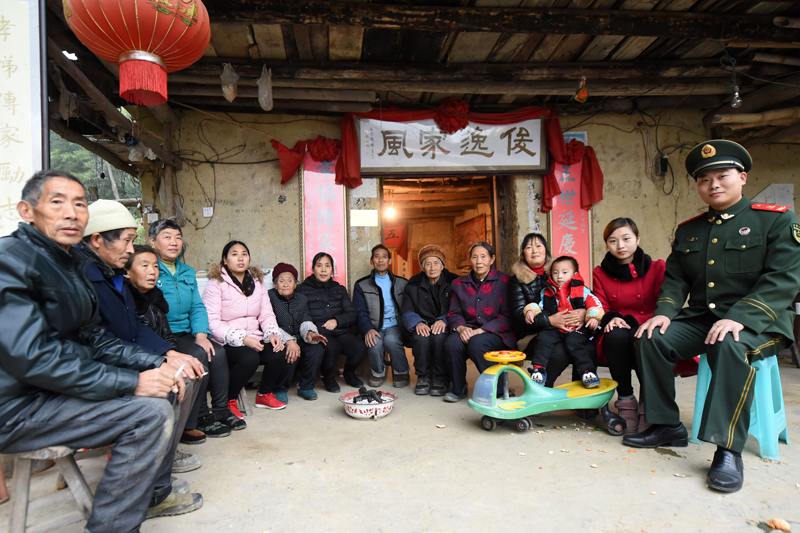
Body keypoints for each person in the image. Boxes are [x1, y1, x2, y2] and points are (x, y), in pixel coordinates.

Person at [0, 170, 196, 530]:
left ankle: (152, 494)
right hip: (17, 406)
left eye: (79, 204)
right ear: (27, 211)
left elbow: (96, 338)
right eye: (57, 202)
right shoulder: (10, 260)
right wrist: (131, 382)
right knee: (149, 413)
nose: (71, 213)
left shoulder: (71, 264)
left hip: (54, 391)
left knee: (169, 383)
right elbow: (32, 358)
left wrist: (156, 362)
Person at [629, 140, 800, 493]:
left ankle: (727, 449)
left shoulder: (776, 219)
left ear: (742, 177)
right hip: (703, 318)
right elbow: (676, 279)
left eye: (722, 176)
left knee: (729, 343)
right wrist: (664, 313)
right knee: (650, 337)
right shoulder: (689, 229)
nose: (713, 185)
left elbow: (784, 277)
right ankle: (666, 425)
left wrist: (742, 316)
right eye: (704, 180)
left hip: (761, 321)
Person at [78, 201, 208, 511]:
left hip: (124, 356)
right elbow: (99, 341)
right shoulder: (83, 277)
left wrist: (169, 353)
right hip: (101, 369)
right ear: (96, 240)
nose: (130, 249)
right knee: (168, 389)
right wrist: (157, 362)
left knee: (188, 371)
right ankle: (155, 492)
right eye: (126, 240)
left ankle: (163, 464)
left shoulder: (110, 272)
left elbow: (134, 327)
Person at [126, 244, 227, 443]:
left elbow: (165, 332)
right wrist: (166, 357)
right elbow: (133, 339)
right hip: (142, 358)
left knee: (201, 362)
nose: (152, 272)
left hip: (164, 348)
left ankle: (196, 420)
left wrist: (173, 350)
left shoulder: (155, 296)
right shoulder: (127, 300)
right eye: (144, 266)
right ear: (126, 272)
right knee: (193, 363)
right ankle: (182, 426)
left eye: (155, 267)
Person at [149, 220, 237, 433]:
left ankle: (221, 409)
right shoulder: (150, 268)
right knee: (198, 354)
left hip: (187, 332)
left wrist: (201, 334)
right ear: (152, 242)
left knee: (217, 352)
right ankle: (200, 416)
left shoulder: (187, 271)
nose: (174, 242)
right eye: (167, 237)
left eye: (178, 237)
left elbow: (197, 306)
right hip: (163, 335)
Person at [592, 218, 665, 434]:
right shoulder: (600, 273)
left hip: (650, 322)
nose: (620, 246)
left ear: (637, 239)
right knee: (614, 335)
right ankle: (625, 399)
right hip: (619, 327)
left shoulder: (657, 267)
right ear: (607, 244)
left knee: (643, 336)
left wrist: (651, 320)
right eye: (613, 241)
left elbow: (664, 302)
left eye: (626, 239)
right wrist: (611, 318)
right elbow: (601, 306)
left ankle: (648, 402)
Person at [202, 241, 290, 411]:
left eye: (244, 254)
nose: (240, 258)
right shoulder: (216, 283)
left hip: (254, 336)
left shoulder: (257, 282)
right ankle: (228, 400)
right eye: (234, 254)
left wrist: (272, 333)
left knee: (278, 350)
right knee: (250, 358)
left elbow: (266, 314)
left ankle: (264, 394)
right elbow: (212, 322)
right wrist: (243, 339)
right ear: (225, 260)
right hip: (226, 340)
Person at [509, 233, 587, 387]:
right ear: (523, 253)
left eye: (539, 246)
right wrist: (550, 321)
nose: (534, 250)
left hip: (565, 329)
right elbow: (519, 317)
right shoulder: (516, 281)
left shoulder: (559, 272)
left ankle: (581, 393)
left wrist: (584, 312)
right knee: (560, 351)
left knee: (581, 344)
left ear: (546, 250)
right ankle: (542, 386)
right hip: (532, 334)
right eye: (529, 247)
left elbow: (581, 294)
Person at [444, 242, 516, 402]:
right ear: (470, 259)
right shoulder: (459, 284)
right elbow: (454, 312)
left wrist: (481, 331)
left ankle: (499, 390)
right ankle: (459, 388)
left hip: (497, 332)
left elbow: (508, 316)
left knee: (477, 343)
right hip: (468, 329)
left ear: (492, 259)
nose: (479, 261)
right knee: (452, 343)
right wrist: (461, 328)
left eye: (483, 257)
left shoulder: (505, 282)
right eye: (475, 257)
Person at [526, 256, 604, 388]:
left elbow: (594, 305)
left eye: (564, 272)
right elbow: (537, 305)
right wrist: (530, 311)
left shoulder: (582, 290)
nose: (559, 276)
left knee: (575, 342)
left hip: (576, 329)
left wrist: (593, 317)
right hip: (554, 329)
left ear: (574, 274)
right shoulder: (547, 291)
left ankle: (587, 372)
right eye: (555, 273)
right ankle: (538, 370)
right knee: (544, 338)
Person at [296, 252, 366, 392]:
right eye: (319, 266)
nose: (323, 270)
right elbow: (300, 315)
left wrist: (337, 321)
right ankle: (327, 377)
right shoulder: (302, 290)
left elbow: (352, 314)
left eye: (327, 266)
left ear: (332, 270)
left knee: (360, 347)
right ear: (313, 269)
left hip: (340, 330)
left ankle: (349, 373)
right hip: (319, 331)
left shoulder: (339, 289)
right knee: (332, 347)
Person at [400, 245, 458, 395]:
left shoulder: (454, 282)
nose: (432, 268)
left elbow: (459, 307)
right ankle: (423, 377)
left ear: (443, 265)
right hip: (422, 323)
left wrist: (444, 320)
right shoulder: (413, 284)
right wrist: (417, 322)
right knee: (420, 337)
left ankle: (441, 378)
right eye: (428, 263)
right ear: (422, 267)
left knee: (439, 337)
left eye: (436, 263)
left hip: (446, 323)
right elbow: (406, 310)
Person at [268, 263, 329, 401]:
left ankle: (305, 387)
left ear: (295, 284)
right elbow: (269, 324)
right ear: (275, 284)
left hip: (299, 336)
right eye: (281, 281)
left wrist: (310, 333)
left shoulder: (301, 298)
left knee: (316, 350)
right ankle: (280, 388)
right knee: (288, 351)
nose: (286, 284)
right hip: (278, 337)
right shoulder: (269, 297)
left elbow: (305, 318)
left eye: (290, 281)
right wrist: (289, 341)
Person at [353, 244, 410, 388]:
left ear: (389, 261)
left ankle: (401, 372)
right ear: (371, 261)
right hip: (373, 326)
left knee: (391, 340)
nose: (380, 260)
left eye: (384, 257)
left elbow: (408, 308)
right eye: (377, 256)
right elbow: (360, 311)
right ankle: (377, 373)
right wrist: (368, 329)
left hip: (395, 326)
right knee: (374, 342)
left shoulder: (402, 283)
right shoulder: (361, 284)